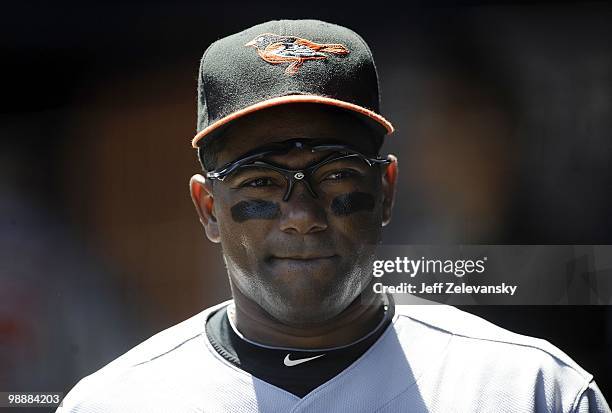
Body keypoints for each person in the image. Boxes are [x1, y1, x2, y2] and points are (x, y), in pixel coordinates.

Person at [58, 19, 610, 412]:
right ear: (208, 208)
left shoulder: (523, 389)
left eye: (336, 174)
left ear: (387, 189)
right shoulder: (118, 401)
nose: (302, 215)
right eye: (262, 181)